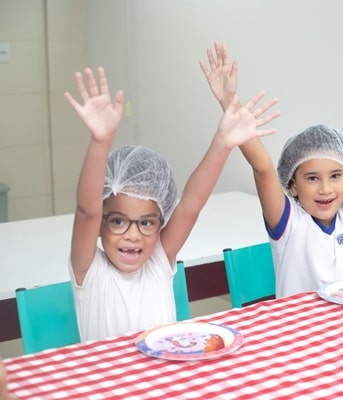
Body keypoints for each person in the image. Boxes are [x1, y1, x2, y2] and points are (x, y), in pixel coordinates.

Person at [64, 66, 279, 340]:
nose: (133, 234)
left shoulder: (158, 260)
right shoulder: (89, 271)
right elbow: (86, 210)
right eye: (118, 221)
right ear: (100, 224)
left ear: (160, 224)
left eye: (146, 223)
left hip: (166, 380)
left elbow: (190, 204)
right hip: (109, 383)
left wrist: (222, 143)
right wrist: (100, 142)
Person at [201, 39, 343, 297]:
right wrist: (230, 103)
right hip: (299, 331)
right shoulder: (289, 223)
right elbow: (263, 169)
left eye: (336, 176)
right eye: (312, 178)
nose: (326, 189)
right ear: (293, 185)